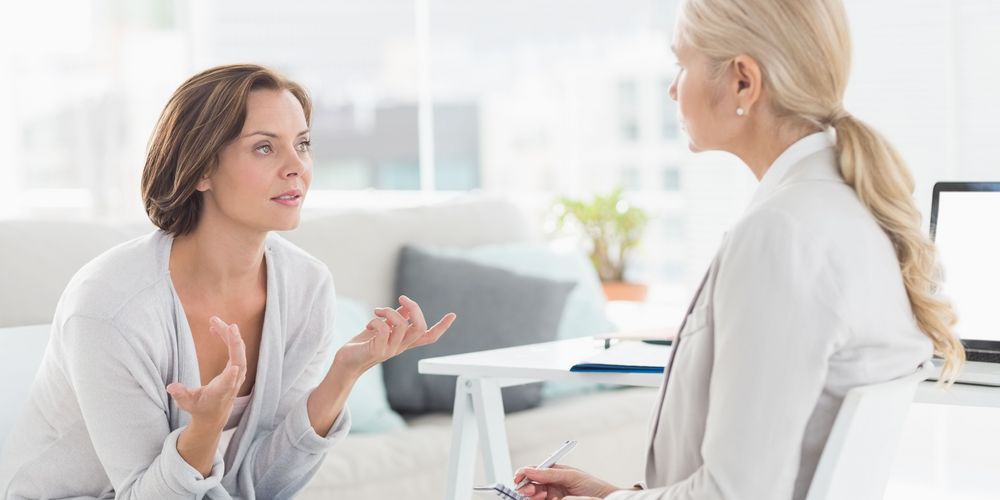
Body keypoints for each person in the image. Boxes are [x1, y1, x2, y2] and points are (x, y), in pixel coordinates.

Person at [513, 0, 964, 499]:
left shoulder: (781, 234)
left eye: (682, 65)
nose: (671, 88)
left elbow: (735, 496)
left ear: (743, 82)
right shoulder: (848, 210)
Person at [0, 64, 456, 499]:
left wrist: (344, 374)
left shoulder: (306, 287)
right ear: (200, 168)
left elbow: (264, 486)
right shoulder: (111, 306)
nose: (296, 166)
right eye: (264, 147)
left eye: (302, 144)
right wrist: (202, 432)